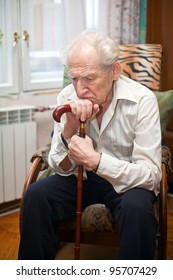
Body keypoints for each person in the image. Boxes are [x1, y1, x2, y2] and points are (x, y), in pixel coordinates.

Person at [18, 30, 161, 260]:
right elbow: (58, 167)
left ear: (114, 71)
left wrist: (96, 161)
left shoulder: (143, 100)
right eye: (74, 78)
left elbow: (151, 176)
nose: (80, 89)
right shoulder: (67, 97)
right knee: (36, 195)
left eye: (89, 78)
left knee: (138, 208)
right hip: (80, 178)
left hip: (125, 181)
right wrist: (69, 129)